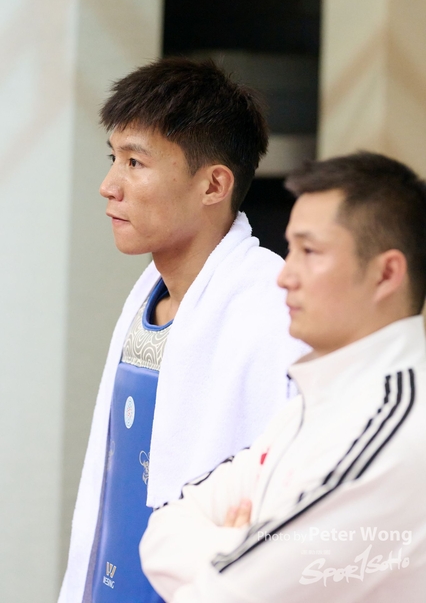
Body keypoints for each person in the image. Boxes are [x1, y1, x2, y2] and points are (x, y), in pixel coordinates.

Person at [58, 57, 307, 603]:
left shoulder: (274, 313)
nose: (109, 186)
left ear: (214, 184)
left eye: (135, 162)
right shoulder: (149, 295)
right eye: (113, 158)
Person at [141, 151, 426, 602]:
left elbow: (228, 595)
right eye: (290, 249)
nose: (285, 276)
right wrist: (246, 546)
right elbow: (161, 532)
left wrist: (238, 549)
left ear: (386, 273)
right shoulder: (311, 406)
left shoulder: (398, 432)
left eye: (310, 252)